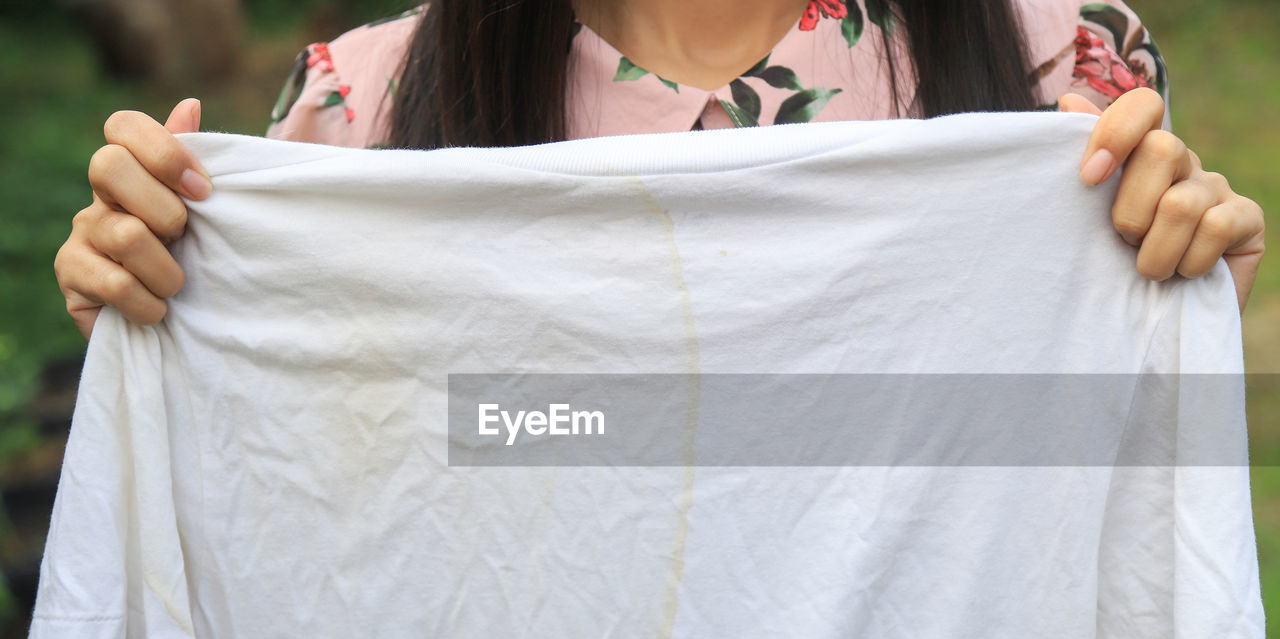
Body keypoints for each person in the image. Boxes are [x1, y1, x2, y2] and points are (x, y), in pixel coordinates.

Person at [53, 0, 1265, 342]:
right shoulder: (358, 107)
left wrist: (1185, 291)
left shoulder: (1054, 64)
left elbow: (1079, 471)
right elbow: (316, 490)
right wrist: (155, 311)